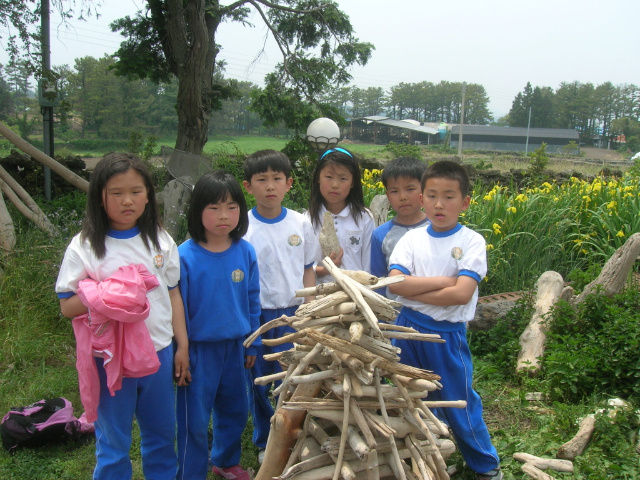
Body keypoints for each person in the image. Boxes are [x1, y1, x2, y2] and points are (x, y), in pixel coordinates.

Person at [56, 153, 190, 480]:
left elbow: (172, 293)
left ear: (148, 195)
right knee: (113, 440)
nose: (127, 201)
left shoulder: (160, 240)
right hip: (109, 360)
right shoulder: (86, 246)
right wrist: (107, 293)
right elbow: (66, 305)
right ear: (100, 198)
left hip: (157, 352)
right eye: (116, 193)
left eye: (136, 191)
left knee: (161, 435)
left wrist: (181, 346)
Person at [387, 160, 502, 480]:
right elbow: (394, 285)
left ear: (465, 202)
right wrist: (443, 282)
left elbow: (462, 294)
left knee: (459, 402)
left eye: (449, 196)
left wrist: (412, 291)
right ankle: (421, 463)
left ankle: (485, 466)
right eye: (433, 195)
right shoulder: (411, 240)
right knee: (409, 400)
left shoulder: (471, 241)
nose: (440, 204)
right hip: (406, 333)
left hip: (446, 336)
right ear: (422, 198)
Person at [176, 170, 260, 480]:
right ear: (197, 211)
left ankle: (225, 461)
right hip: (198, 351)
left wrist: (254, 340)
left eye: (231, 207)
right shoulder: (184, 256)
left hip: (236, 348)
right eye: (213, 208)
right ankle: (190, 471)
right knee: (193, 419)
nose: (224, 216)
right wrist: (180, 350)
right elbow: (178, 309)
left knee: (236, 410)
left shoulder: (244, 251)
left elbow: (253, 299)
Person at [242, 149, 317, 464]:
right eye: (262, 180)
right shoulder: (241, 226)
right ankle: (264, 440)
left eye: (277, 179)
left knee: (292, 379)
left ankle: (295, 437)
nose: (269, 186)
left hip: (294, 314)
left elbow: (309, 267)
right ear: (248, 186)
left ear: (289, 183)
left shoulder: (301, 223)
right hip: (257, 316)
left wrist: (310, 308)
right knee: (258, 380)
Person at [306, 147, 374, 281]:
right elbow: (302, 269)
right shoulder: (307, 219)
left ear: (353, 182)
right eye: (329, 177)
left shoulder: (363, 218)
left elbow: (368, 265)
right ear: (318, 178)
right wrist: (326, 270)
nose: (335, 185)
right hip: (319, 295)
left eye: (343, 178)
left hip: (355, 294)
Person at [370, 156, 429, 297]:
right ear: (387, 195)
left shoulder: (438, 229)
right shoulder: (380, 235)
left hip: (432, 311)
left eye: (410, 189)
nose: (402, 197)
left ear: (425, 190)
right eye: (394, 191)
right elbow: (378, 281)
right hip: (395, 315)